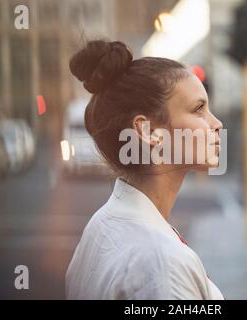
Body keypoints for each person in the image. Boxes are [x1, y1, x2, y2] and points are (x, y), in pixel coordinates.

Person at [66, 39, 224, 299]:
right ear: (148, 131)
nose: (216, 123)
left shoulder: (101, 226)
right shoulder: (163, 265)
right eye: (199, 109)